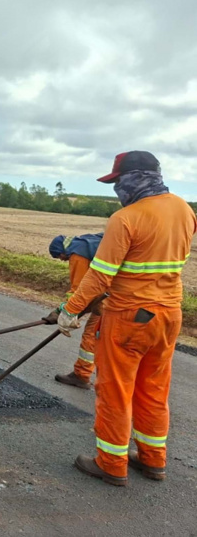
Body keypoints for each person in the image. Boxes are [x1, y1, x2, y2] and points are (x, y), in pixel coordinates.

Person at [58, 151, 197, 486]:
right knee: (153, 389)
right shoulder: (185, 210)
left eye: (118, 181)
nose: (117, 188)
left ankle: (111, 463)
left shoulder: (126, 218)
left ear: (134, 177)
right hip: (169, 316)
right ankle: (152, 459)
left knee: (116, 391)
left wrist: (70, 310)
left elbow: (99, 277)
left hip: (129, 317)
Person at [48, 232, 104, 389]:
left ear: (62, 251)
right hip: (114, 297)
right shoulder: (90, 240)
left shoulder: (78, 254)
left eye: (59, 256)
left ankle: (82, 375)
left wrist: (62, 311)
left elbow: (78, 290)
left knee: (92, 337)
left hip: (109, 302)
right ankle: (85, 375)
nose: (62, 260)